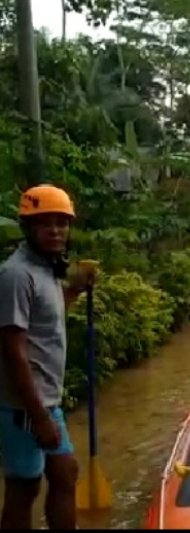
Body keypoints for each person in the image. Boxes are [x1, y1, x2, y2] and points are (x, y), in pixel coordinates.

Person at [0, 184, 94, 530]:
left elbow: (46, 321)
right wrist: (38, 417)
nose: (56, 230)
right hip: (24, 406)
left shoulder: (47, 268)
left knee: (65, 473)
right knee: (24, 487)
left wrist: (74, 290)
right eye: (45, 223)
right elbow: (11, 348)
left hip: (46, 401)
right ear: (28, 228)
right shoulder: (16, 274)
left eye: (62, 223)